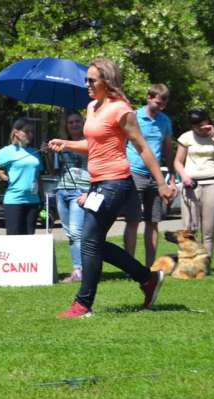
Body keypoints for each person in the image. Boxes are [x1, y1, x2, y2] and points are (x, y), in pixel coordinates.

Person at [48, 57, 173, 318]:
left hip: (116, 182)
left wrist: (161, 183)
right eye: (86, 80)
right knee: (93, 242)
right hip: (98, 182)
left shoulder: (121, 109)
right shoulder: (92, 107)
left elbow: (142, 147)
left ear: (107, 80)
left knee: (89, 240)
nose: (87, 85)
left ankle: (83, 304)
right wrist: (68, 144)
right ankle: (146, 278)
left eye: (92, 80)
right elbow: (94, 145)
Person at [123, 84, 177, 267]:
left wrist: (171, 177)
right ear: (148, 97)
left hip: (156, 177)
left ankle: (150, 267)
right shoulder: (133, 116)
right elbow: (121, 143)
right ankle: (129, 266)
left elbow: (168, 150)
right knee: (133, 221)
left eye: (163, 104)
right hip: (134, 173)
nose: (159, 107)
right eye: (157, 103)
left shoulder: (165, 121)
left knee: (153, 222)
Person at [174, 108, 214, 258]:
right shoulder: (186, 137)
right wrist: (184, 176)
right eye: (195, 126)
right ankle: (188, 263)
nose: (198, 129)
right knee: (189, 228)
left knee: (208, 231)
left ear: (207, 121)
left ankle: (204, 265)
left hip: (213, 183)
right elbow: (178, 162)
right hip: (191, 185)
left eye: (201, 124)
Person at [0, 118, 43, 235]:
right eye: (27, 131)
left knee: (30, 238)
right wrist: (1, 175)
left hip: (33, 201)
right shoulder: (9, 150)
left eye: (32, 132)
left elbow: (38, 176)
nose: (30, 135)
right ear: (16, 132)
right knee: (14, 239)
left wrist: (42, 196)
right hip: (14, 200)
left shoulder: (35, 152)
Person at [53, 110, 91, 283]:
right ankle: (79, 268)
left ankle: (80, 270)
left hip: (81, 190)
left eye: (77, 121)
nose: (74, 124)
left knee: (77, 232)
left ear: (83, 123)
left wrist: (88, 192)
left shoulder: (90, 142)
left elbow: (96, 169)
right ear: (66, 127)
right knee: (69, 233)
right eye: (71, 122)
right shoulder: (61, 144)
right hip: (62, 190)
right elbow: (54, 170)